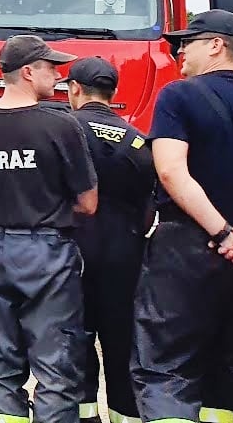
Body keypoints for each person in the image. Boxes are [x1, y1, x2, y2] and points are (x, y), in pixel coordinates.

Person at [133, 10, 233, 422]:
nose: (179, 50)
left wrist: (225, 235)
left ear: (216, 45)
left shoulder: (178, 95)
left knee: (166, 369)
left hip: (187, 249)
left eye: (187, 41)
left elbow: (172, 170)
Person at [0, 35, 94, 423]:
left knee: (1, 363)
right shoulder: (60, 125)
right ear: (28, 71)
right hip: (46, 254)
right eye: (51, 67)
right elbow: (88, 203)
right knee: (56, 368)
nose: (58, 75)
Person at [65, 56, 152, 423]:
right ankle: (125, 414)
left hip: (74, 251)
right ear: (113, 92)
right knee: (122, 343)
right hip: (125, 255)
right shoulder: (137, 140)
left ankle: (84, 416)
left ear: (74, 89)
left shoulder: (63, 129)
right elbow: (151, 205)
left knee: (75, 339)